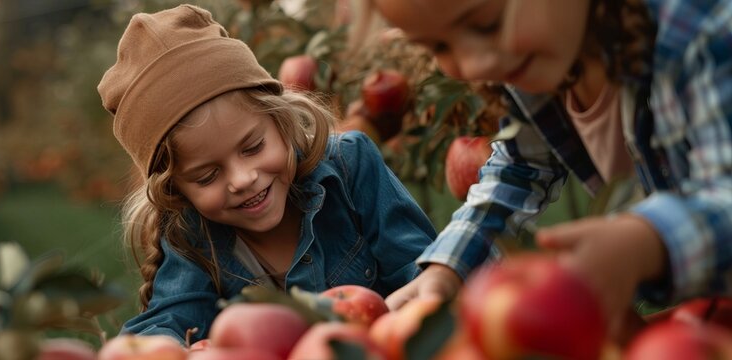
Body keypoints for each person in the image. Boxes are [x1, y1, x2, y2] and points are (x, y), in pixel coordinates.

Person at [370, 0, 732, 338]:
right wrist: (448, 267)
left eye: (487, 23)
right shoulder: (541, 62)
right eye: (439, 48)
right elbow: (520, 168)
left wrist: (647, 238)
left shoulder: (698, 30)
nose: (475, 66)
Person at [96, 4, 436, 343]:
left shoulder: (350, 166)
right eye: (206, 177)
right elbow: (164, 324)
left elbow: (423, 276)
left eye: (253, 147)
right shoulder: (194, 235)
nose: (243, 179)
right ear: (177, 191)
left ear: (280, 120)